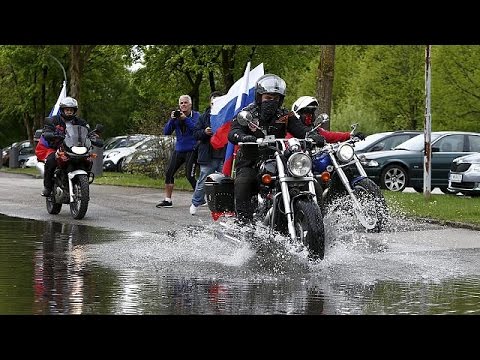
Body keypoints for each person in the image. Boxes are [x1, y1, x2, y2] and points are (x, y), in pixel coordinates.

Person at [227, 74, 325, 224]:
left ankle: (317, 221)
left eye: (275, 98)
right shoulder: (248, 113)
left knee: (310, 182)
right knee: (243, 183)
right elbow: (233, 132)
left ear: (280, 99)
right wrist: (243, 137)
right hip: (251, 159)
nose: (272, 101)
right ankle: (244, 223)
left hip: (277, 157)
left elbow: (301, 129)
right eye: (268, 97)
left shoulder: (285, 115)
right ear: (259, 97)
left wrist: (313, 135)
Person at [35, 96, 92, 197]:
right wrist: (49, 134)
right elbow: (47, 130)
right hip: (56, 147)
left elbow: (88, 132)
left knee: (88, 159)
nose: (69, 112)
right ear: (62, 110)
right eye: (67, 110)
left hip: (74, 147)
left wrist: (93, 137)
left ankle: (83, 182)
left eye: (71, 110)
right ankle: (47, 187)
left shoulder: (80, 122)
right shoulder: (54, 120)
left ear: (75, 111)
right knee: (51, 160)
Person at [156, 95, 200, 208]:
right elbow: (166, 132)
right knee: (169, 173)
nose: (183, 105)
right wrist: (172, 120)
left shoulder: (196, 116)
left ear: (190, 104)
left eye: (185, 103)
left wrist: (185, 119)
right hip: (179, 149)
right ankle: (168, 200)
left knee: (189, 175)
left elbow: (196, 129)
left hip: (192, 150)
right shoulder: (176, 117)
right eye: (181, 103)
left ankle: (199, 198)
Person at [189, 91, 226, 215]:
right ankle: (196, 202)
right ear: (210, 103)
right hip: (208, 155)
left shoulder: (227, 115)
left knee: (225, 183)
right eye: (213, 102)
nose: (215, 104)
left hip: (223, 155)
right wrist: (205, 132)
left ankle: (223, 207)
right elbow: (195, 134)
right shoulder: (204, 117)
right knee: (203, 181)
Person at [291, 96, 365, 142]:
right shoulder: (291, 129)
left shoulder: (315, 130)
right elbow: (287, 142)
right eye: (307, 113)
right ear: (298, 113)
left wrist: (351, 135)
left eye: (311, 113)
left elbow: (330, 135)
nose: (310, 116)